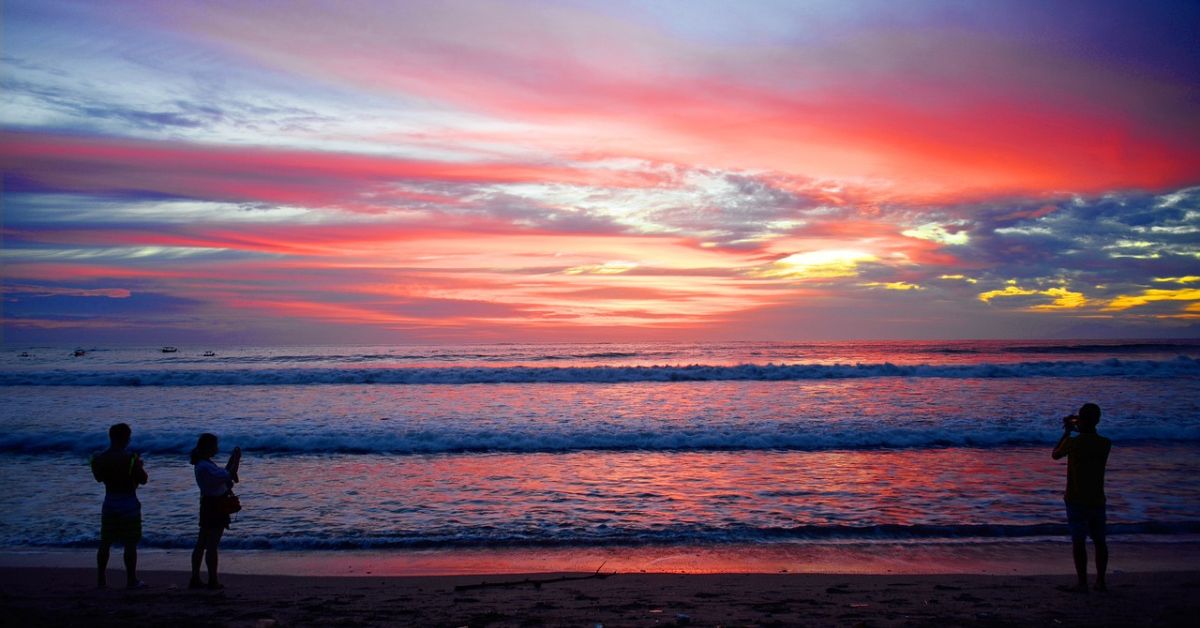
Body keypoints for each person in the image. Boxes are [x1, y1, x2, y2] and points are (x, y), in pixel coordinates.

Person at [1051, 402, 1112, 593]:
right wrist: (1079, 425)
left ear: (1083, 420)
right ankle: (1101, 581)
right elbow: (1090, 436)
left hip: (1076, 498)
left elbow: (1055, 454)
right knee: (1099, 541)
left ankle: (1082, 582)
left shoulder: (1073, 443)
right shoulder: (1105, 443)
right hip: (1097, 499)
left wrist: (1068, 431)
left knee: (1079, 543)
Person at [90, 422, 148, 588]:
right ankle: (131, 579)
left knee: (105, 542)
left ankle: (101, 579)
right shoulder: (130, 458)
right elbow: (143, 479)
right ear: (127, 438)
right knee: (130, 543)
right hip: (128, 502)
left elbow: (99, 478)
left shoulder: (100, 458)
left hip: (109, 501)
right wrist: (139, 465)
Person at [189, 433, 241, 590]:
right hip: (215, 505)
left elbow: (224, 475)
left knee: (201, 543)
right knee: (211, 545)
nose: (217, 448)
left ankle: (196, 577)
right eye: (214, 446)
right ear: (207, 447)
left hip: (208, 504)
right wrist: (236, 459)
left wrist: (232, 460)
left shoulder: (204, 464)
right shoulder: (205, 466)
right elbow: (228, 474)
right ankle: (212, 580)